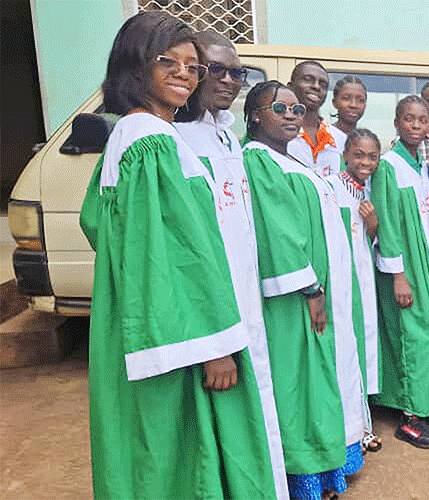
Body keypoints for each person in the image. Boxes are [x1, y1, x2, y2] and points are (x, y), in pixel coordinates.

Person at [79, 12, 286, 499]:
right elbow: (176, 256)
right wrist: (215, 345)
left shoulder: (133, 136)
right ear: (135, 66)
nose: (184, 74)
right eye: (166, 61)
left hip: (152, 325)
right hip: (181, 339)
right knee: (185, 461)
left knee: (154, 456)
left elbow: (97, 222)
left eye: (193, 66)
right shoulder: (151, 142)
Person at [172, 29, 288, 495]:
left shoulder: (226, 137)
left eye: (236, 72)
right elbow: (188, 253)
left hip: (244, 303)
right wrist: (214, 341)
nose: (227, 80)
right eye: (214, 69)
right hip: (214, 315)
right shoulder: (175, 141)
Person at [242, 81, 367, 500]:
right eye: (280, 107)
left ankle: (330, 466)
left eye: (296, 109)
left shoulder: (290, 158)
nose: (292, 115)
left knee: (324, 378)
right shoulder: (259, 161)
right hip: (295, 299)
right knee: (301, 382)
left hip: (318, 292)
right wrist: (312, 289)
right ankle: (305, 474)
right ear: (256, 115)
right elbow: (280, 232)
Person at [371, 96, 429, 447]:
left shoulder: (421, 165)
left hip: (423, 261)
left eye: (422, 120)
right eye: (409, 119)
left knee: (427, 332)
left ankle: (420, 400)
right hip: (404, 265)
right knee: (413, 337)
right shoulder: (389, 166)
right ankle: (409, 417)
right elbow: (387, 225)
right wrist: (399, 274)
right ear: (396, 123)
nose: (417, 126)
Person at [331, 127, 383, 453]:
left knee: (363, 344)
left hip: (363, 277)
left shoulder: (365, 191)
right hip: (342, 278)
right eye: (359, 154)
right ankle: (354, 428)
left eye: (372, 156)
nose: (365, 161)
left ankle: (363, 422)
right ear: (346, 154)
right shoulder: (333, 188)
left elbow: (368, 238)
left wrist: (373, 224)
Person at [287, 60, 339, 177]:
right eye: (308, 79)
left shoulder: (337, 139)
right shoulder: (276, 133)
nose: (316, 86)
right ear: (290, 87)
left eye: (323, 84)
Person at [330, 75, 368, 155]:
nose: (353, 105)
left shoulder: (366, 142)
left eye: (360, 100)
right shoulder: (324, 136)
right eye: (346, 98)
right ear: (334, 102)